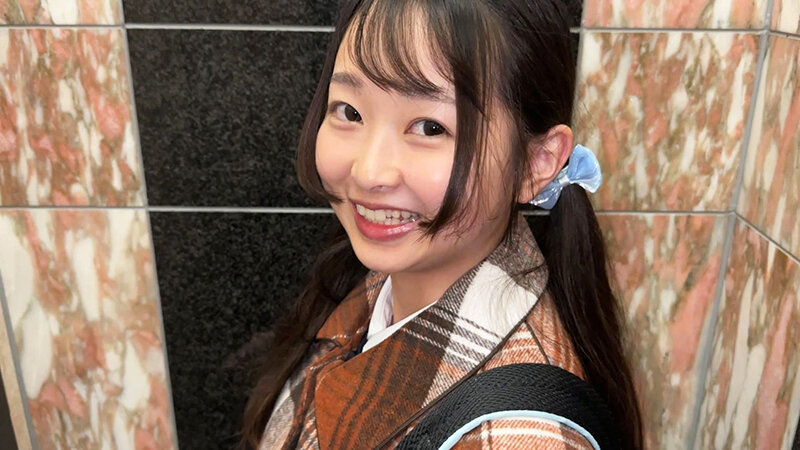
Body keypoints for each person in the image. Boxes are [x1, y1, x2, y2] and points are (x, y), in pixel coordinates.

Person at [239, 0, 643, 448]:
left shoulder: (518, 438)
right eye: (350, 112)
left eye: (430, 127)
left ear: (536, 162)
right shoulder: (379, 277)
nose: (369, 173)